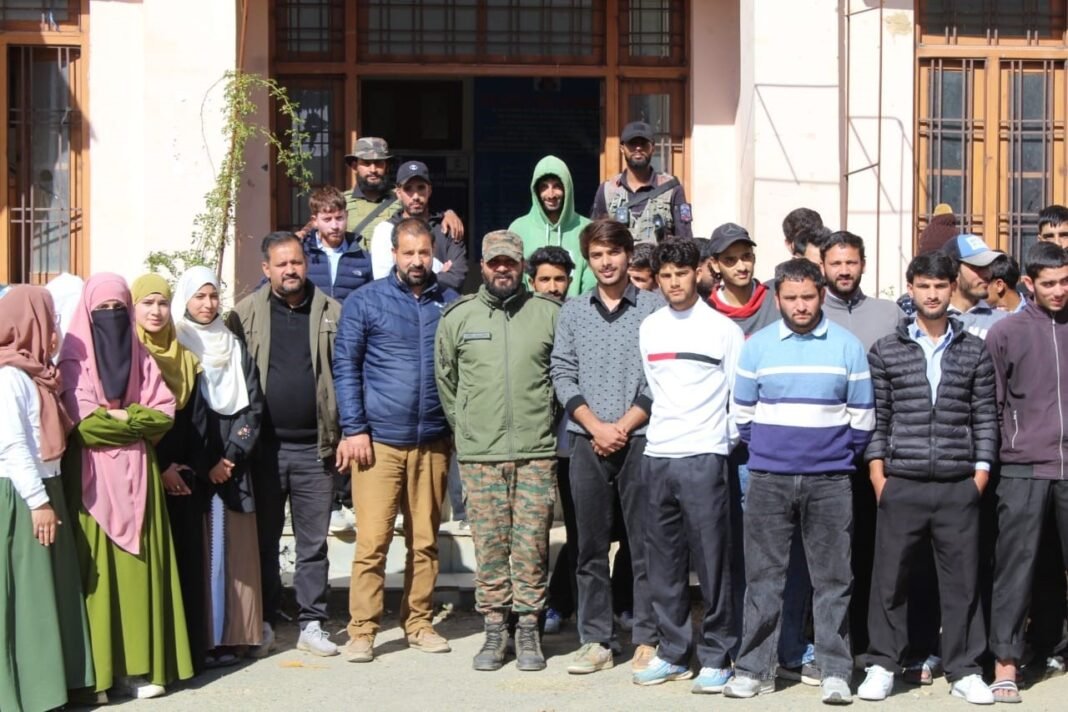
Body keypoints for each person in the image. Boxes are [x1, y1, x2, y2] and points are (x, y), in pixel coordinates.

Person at [724, 258, 874, 705]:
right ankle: (754, 669)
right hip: (768, 478)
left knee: (833, 580)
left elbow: (862, 421)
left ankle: (834, 671)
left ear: (821, 294)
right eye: (790, 298)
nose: (800, 305)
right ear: (777, 298)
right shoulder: (757, 347)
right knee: (764, 579)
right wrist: (774, 453)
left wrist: (829, 456)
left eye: (808, 296)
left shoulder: (848, 347)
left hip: (830, 480)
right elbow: (743, 415)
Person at [856, 252, 996, 705]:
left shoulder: (974, 348)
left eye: (940, 286)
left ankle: (964, 668)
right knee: (889, 581)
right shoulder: (886, 349)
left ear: (952, 287)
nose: (932, 294)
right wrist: (880, 477)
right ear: (910, 289)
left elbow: (985, 418)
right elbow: (878, 418)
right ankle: (882, 664)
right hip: (903, 482)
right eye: (924, 286)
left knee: (962, 583)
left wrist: (979, 475)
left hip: (958, 484)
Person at [58, 273, 192, 699]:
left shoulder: (140, 355)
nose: (112, 319)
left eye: (120, 310)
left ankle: (139, 669)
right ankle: (98, 677)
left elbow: (164, 413)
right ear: (87, 313)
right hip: (92, 485)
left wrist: (120, 418)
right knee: (97, 580)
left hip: (141, 480)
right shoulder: (73, 359)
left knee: (137, 576)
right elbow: (85, 426)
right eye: (103, 311)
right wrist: (133, 420)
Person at [333, 218, 459, 663]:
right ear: (393, 253)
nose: (417, 261)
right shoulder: (365, 302)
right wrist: (354, 429)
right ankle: (363, 630)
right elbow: (345, 368)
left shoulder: (451, 302)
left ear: (433, 253)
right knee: (372, 542)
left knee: (424, 540)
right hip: (379, 443)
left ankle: (419, 622)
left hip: (432, 441)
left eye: (424, 252)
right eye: (408, 253)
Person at [435, 230, 560, 672]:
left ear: (522, 266)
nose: (502, 269)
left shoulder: (548, 315)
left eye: (510, 262)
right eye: (495, 263)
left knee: (530, 549)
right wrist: (470, 427)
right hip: (481, 455)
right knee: (490, 549)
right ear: (482, 266)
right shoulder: (459, 318)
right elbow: (447, 383)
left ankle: (528, 631)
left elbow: (561, 379)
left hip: (534, 451)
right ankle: (494, 632)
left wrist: (544, 420)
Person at [632, 238, 744, 693]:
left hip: (704, 457)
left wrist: (718, 444)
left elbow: (740, 399)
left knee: (713, 563)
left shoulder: (723, 331)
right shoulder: (650, 327)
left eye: (681, 272)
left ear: (697, 273)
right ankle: (674, 652)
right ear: (657, 280)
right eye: (665, 275)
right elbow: (656, 389)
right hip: (657, 455)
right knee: (663, 563)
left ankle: (718, 654)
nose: (674, 282)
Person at [550, 220, 661, 675]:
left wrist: (625, 424)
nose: (607, 262)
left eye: (614, 252)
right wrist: (595, 426)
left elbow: (660, 374)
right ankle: (596, 639)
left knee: (644, 545)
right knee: (589, 547)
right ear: (587, 260)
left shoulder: (654, 308)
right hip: (585, 442)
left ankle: (648, 637)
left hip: (640, 441)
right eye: (597, 254)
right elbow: (561, 372)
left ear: (627, 254)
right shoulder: (573, 311)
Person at [707, 221, 814, 682]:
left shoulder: (778, 303)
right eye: (729, 258)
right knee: (733, 555)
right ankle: (742, 647)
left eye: (746, 255)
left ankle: (790, 646)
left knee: (786, 555)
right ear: (714, 265)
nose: (741, 264)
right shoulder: (705, 312)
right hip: (716, 447)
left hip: (771, 449)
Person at [227, 232, 343, 658]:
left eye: (296, 262)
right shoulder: (244, 316)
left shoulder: (332, 311)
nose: (291, 270)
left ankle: (312, 622)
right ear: (266, 269)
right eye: (282, 264)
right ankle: (265, 619)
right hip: (265, 451)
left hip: (317, 449)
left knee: (313, 543)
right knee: (264, 539)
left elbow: (344, 375)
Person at [0, 286, 94, 710]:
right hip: (25, 493)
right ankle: (31, 692)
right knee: (31, 595)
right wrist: (39, 502)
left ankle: (56, 685)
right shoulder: (9, 376)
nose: (54, 329)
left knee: (51, 591)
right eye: (49, 319)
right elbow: (13, 445)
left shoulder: (40, 373)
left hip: (45, 486)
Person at [985, 241, 1068, 703]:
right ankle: (1006, 664)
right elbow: (993, 405)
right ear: (1029, 284)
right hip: (1022, 468)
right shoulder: (1006, 333)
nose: (1060, 291)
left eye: (1066, 282)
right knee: (1015, 570)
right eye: (1050, 284)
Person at [173, 268, 265, 664]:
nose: (208, 304)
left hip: (233, 464)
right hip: (197, 463)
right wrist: (206, 462)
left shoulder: (233, 344)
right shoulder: (178, 345)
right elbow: (183, 415)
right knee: (202, 552)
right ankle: (202, 640)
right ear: (186, 301)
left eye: (213, 296)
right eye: (200, 297)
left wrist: (230, 458)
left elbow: (253, 405)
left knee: (237, 556)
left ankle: (235, 636)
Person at [131, 274, 213, 672]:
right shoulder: (126, 356)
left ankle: (189, 657)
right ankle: (155, 656)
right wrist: (161, 467)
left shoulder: (186, 359)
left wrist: (186, 469)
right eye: (147, 303)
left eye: (162, 303)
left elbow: (198, 422)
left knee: (186, 564)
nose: (156, 311)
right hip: (144, 473)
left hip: (184, 481)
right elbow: (134, 419)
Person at [527, 246, 578, 636]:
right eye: (545, 279)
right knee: (535, 532)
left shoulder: (580, 315)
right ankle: (539, 606)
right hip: (534, 443)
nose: (552, 286)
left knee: (580, 530)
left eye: (559, 279)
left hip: (572, 441)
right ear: (532, 282)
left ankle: (561, 602)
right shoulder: (523, 319)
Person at [342, 137, 464, 243]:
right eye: (366, 163)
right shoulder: (341, 203)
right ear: (354, 166)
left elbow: (430, 215)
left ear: (387, 166)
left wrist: (448, 214)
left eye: (379, 163)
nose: (373, 169)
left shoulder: (405, 196)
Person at [369, 161, 468, 292]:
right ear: (398, 192)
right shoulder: (385, 231)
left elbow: (457, 277)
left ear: (429, 190)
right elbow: (384, 283)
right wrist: (436, 277)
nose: (415, 196)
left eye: (421, 188)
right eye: (408, 189)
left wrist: (412, 281)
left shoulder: (447, 228)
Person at [590, 121, 692, 243]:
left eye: (643, 143)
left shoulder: (672, 189)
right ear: (622, 148)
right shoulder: (607, 190)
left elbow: (685, 239)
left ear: (653, 148)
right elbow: (596, 238)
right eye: (632, 143)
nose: (638, 148)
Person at [509, 155, 595, 296]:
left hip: (576, 313)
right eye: (544, 187)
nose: (551, 194)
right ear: (536, 191)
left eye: (557, 186)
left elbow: (592, 282)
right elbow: (515, 278)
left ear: (567, 188)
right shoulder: (518, 229)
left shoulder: (587, 229)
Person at [820, 231, 903, 351]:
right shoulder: (810, 314)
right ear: (822, 267)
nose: (844, 271)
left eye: (851, 263)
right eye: (836, 264)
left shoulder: (891, 313)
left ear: (863, 265)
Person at [302, 185, 374, 302]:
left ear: (346, 216)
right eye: (327, 219)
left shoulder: (363, 259)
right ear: (315, 221)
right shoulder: (302, 254)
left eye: (339, 218)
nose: (335, 226)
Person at [707, 223, 779, 334]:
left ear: (754, 258)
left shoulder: (777, 299)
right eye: (730, 260)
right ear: (715, 265)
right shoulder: (708, 310)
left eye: (746, 257)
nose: (742, 267)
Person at [942, 234, 1008, 339]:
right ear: (953, 270)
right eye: (977, 267)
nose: (987, 275)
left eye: (988, 267)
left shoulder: (1005, 323)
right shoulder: (924, 322)